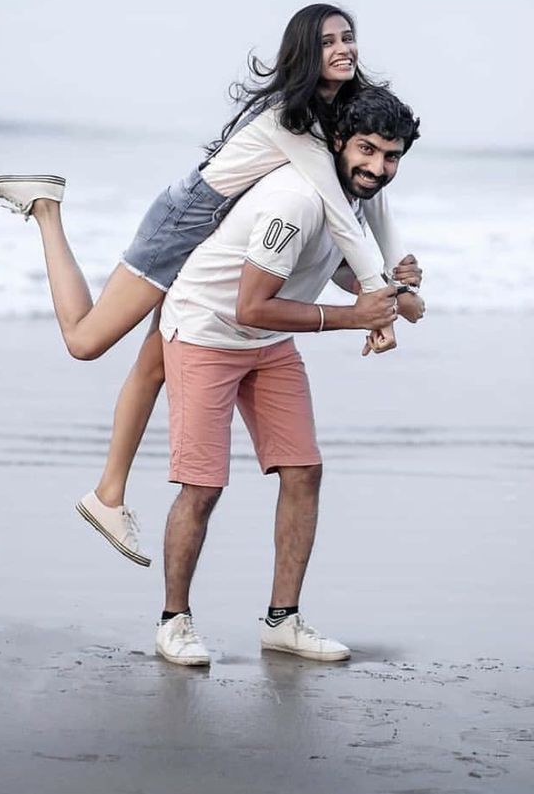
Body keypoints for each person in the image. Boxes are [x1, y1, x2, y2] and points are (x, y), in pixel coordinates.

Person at [0, 4, 420, 567]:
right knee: (86, 342)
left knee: (160, 359)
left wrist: (396, 274)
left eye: (349, 37)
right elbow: (339, 211)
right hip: (188, 218)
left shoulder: (344, 119)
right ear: (304, 53)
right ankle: (46, 208)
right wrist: (375, 300)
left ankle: (108, 496)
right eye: (328, 40)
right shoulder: (294, 117)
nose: (343, 47)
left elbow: (370, 200)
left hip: (221, 234)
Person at [154, 86, 423, 666]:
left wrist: (385, 286)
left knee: (303, 471)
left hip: (269, 341)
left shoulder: (351, 198)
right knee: (202, 485)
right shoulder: (296, 201)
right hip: (207, 330)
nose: (378, 167)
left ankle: (283, 621)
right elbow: (252, 304)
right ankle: (174, 622)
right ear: (337, 143)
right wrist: (355, 317)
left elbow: (326, 270)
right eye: (368, 150)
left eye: (392, 156)